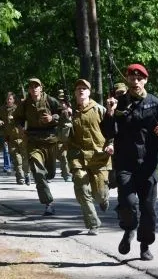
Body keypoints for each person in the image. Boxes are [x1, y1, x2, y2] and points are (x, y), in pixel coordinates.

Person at [103, 64, 158, 261]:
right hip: (124, 165)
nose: (136, 81)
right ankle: (129, 229)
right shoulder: (118, 104)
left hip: (147, 166)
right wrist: (110, 112)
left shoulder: (155, 103)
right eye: (132, 77)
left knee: (148, 210)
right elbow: (107, 132)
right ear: (128, 79)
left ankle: (145, 245)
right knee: (127, 204)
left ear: (146, 80)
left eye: (140, 78)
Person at [64, 79, 113, 235]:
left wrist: (111, 144)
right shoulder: (69, 113)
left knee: (99, 195)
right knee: (82, 191)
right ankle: (93, 224)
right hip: (78, 158)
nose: (81, 90)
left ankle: (104, 199)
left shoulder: (100, 110)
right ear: (75, 93)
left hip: (99, 157)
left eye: (84, 88)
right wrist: (66, 120)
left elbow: (112, 129)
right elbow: (62, 138)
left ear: (89, 92)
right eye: (78, 88)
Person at [14, 78, 62, 216]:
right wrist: (21, 127)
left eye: (37, 86)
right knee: (38, 172)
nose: (34, 88)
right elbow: (17, 118)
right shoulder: (25, 104)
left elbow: (62, 114)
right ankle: (48, 203)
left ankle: (45, 183)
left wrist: (53, 118)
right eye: (31, 86)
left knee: (50, 173)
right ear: (29, 89)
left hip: (50, 140)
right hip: (33, 141)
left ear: (41, 88)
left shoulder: (50, 100)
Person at [0, 92, 30, 185]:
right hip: (11, 138)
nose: (8, 101)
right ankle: (20, 177)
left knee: (25, 158)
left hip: (23, 137)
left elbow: (26, 117)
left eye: (10, 99)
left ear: (14, 100)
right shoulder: (2, 110)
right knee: (16, 159)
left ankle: (27, 174)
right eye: (7, 99)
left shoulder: (19, 108)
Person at [57, 89, 72, 182]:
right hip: (60, 137)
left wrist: (69, 113)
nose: (62, 103)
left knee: (68, 157)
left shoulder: (70, 109)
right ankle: (66, 173)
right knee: (63, 157)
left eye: (63, 101)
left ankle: (68, 173)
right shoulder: (56, 109)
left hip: (69, 136)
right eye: (60, 100)